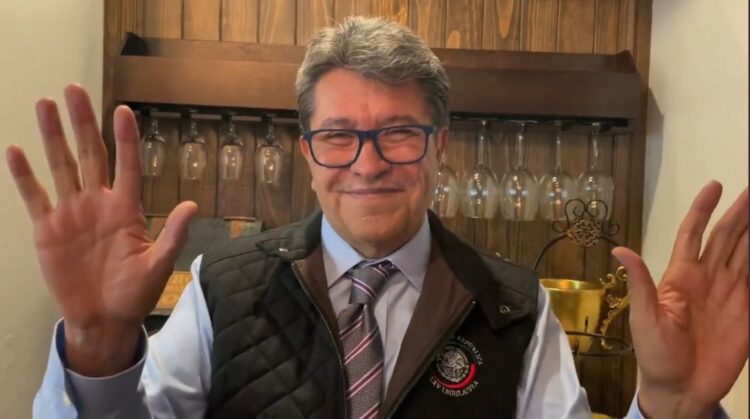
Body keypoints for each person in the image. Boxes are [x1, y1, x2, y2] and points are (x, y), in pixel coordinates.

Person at [7, 16, 747, 419]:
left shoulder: (516, 307)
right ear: (307, 152)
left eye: (398, 133)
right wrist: (98, 351)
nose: (367, 164)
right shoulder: (220, 284)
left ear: (439, 147)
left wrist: (674, 407)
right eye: (338, 136)